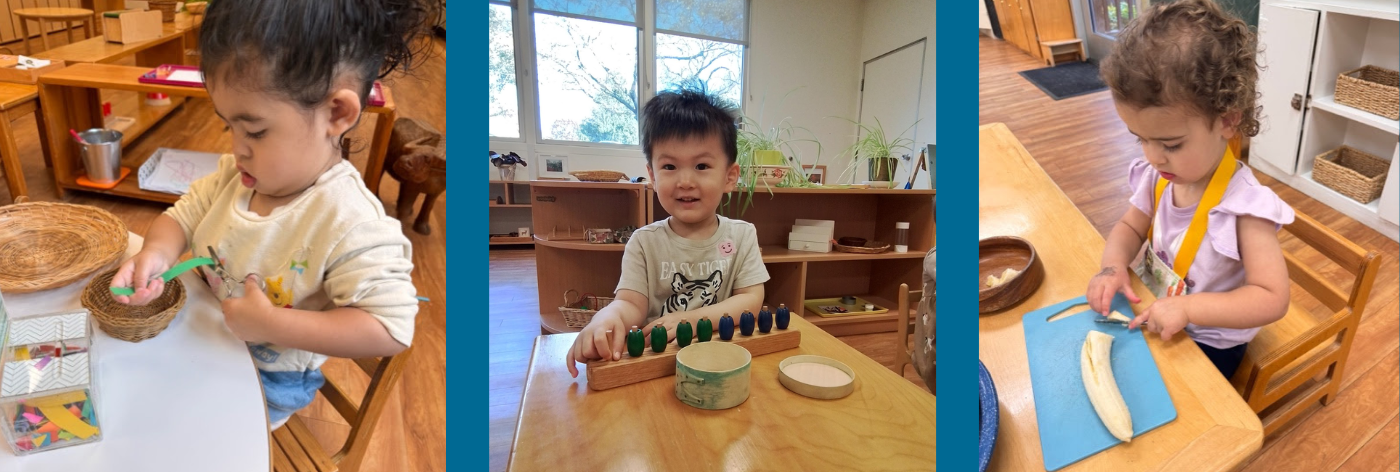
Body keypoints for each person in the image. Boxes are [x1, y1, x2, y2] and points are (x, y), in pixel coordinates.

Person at [110, 0, 438, 430]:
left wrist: (271, 323)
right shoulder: (237, 177)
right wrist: (155, 253)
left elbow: (390, 328)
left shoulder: (350, 223)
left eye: (256, 131)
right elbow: (183, 215)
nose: (237, 148)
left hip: (264, 384)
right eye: (230, 125)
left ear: (336, 113)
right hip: (206, 339)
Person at [1088, 0, 1293, 378]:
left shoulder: (1245, 208)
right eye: (1140, 140)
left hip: (1209, 340)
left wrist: (1189, 309)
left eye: (1171, 144)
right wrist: (1112, 267)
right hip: (1157, 307)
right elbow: (1130, 228)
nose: (1154, 158)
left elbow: (1272, 298)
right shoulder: (1159, 177)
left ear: (1227, 119)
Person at [566, 90, 770, 377]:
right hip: (658, 364)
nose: (685, 181)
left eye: (701, 166)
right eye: (670, 166)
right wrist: (605, 319)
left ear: (729, 177)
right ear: (652, 175)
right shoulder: (644, 242)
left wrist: (689, 318)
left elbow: (750, 299)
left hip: (719, 358)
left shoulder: (742, 235)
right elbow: (629, 304)